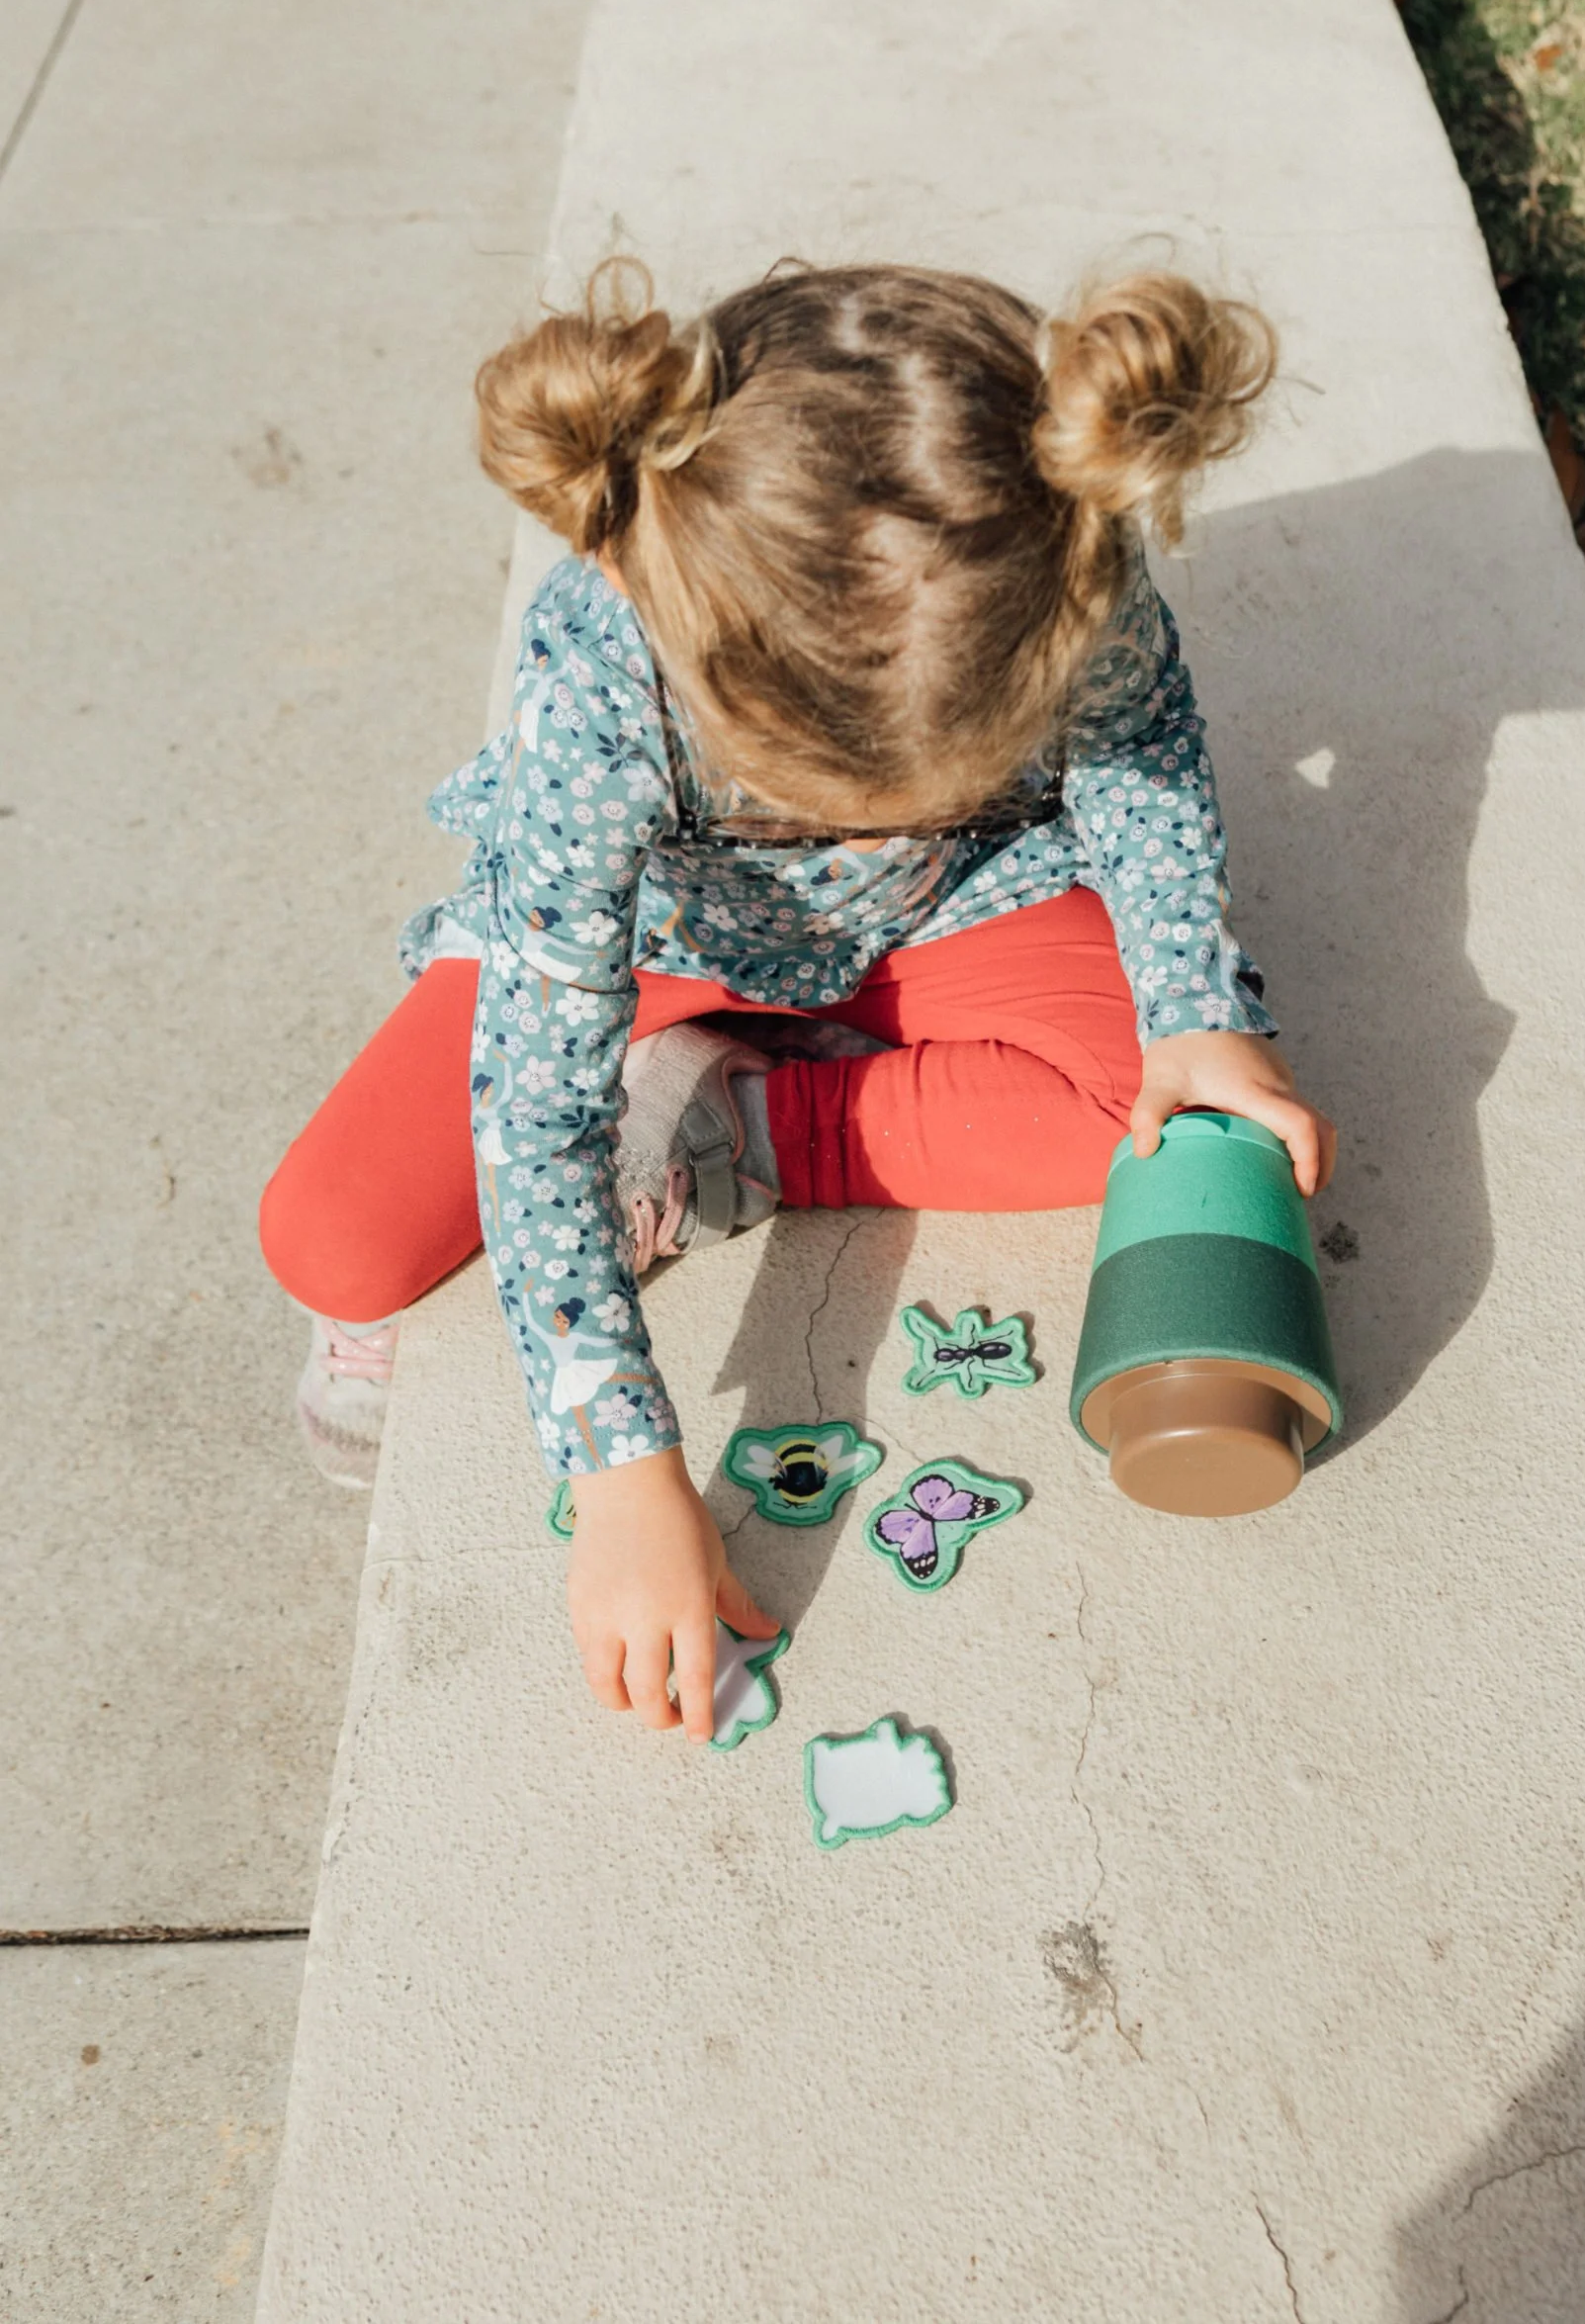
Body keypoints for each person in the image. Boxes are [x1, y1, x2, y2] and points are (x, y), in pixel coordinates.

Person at [259, 258, 1336, 1743]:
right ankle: (708, 1054)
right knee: (332, 1240)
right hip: (661, 931)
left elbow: (1143, 763)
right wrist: (619, 1466)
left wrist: (1196, 1004)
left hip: (959, 902)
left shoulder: (1058, 551)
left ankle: (741, 1126)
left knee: (1151, 1109)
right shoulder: (608, 675)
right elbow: (537, 1090)